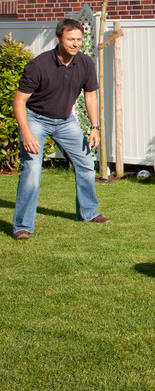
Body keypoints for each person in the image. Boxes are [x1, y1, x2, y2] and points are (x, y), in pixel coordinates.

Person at [11, 18, 109, 240]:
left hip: (65, 121)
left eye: (79, 39)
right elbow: (19, 101)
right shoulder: (39, 65)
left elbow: (91, 95)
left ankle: (88, 212)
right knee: (32, 171)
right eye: (70, 39)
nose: (76, 44)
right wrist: (26, 132)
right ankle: (22, 226)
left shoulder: (85, 63)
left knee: (85, 163)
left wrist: (95, 127)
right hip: (36, 119)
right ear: (58, 40)